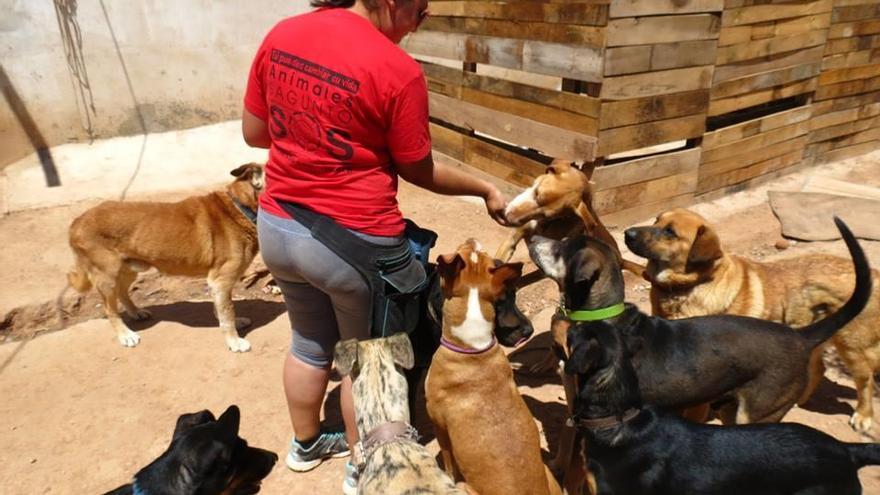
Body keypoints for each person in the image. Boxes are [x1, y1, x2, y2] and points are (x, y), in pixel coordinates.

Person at [241, 0, 509, 493]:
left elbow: (255, 134)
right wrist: (484, 188)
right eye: (421, 10)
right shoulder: (396, 69)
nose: (422, 22)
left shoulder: (282, 34)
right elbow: (418, 168)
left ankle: (306, 445)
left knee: (308, 343)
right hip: (354, 245)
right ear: (389, 2)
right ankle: (362, 466)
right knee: (365, 361)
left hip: (279, 225)